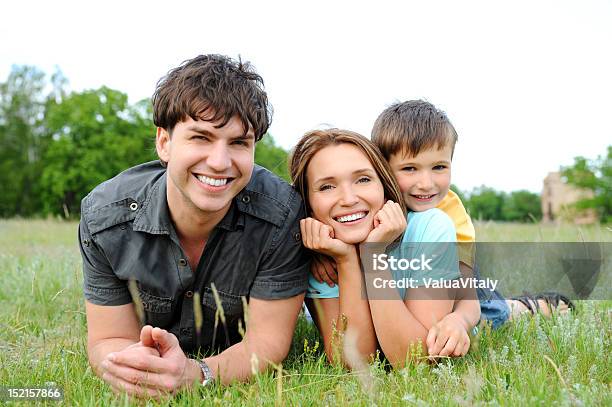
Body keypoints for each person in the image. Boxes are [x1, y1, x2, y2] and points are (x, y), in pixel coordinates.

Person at [79, 54, 310, 398]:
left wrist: (197, 373)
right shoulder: (105, 218)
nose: (219, 162)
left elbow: (267, 342)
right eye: (200, 138)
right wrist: (136, 367)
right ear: (164, 142)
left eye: (238, 143)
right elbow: (108, 339)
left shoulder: (282, 215)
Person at [370, 100, 574, 330]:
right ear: (382, 168)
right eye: (409, 168)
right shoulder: (369, 203)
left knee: (490, 314)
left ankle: (525, 307)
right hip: (408, 288)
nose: (426, 184)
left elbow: (467, 295)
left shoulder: (450, 215)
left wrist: (459, 320)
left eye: (439, 167)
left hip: (457, 288)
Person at [289, 129, 471, 368]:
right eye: (326, 187)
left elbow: (418, 361)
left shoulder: (430, 227)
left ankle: (528, 305)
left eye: (363, 179)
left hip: (461, 296)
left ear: (384, 186)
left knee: (495, 309)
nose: (348, 199)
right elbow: (355, 363)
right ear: (309, 206)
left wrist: (373, 254)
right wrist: (346, 261)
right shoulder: (319, 248)